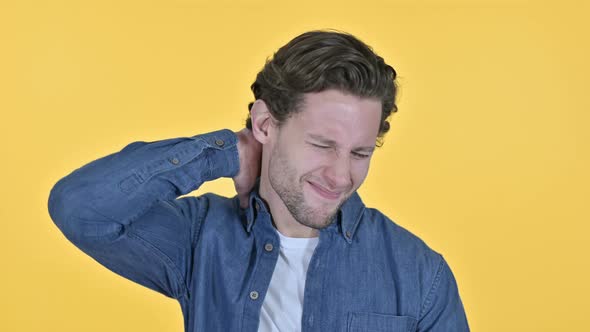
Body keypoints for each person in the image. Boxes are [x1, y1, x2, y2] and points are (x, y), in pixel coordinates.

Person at [48, 30, 470, 332]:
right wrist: (229, 152)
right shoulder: (201, 239)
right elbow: (81, 209)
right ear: (266, 123)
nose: (342, 176)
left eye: (360, 153)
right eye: (323, 146)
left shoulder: (419, 273)